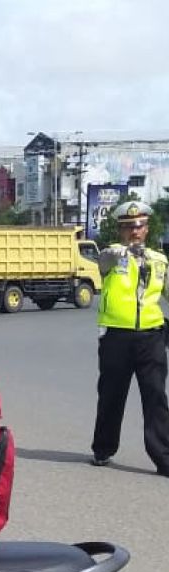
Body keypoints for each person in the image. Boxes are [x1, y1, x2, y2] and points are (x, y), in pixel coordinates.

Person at [91, 200, 169, 474]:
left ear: (147, 229)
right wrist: (124, 252)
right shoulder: (112, 255)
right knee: (112, 395)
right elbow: (103, 263)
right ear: (120, 231)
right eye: (128, 227)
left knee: (156, 396)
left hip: (151, 337)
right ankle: (103, 449)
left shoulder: (160, 261)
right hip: (116, 337)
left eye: (139, 226)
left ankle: (164, 458)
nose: (134, 232)